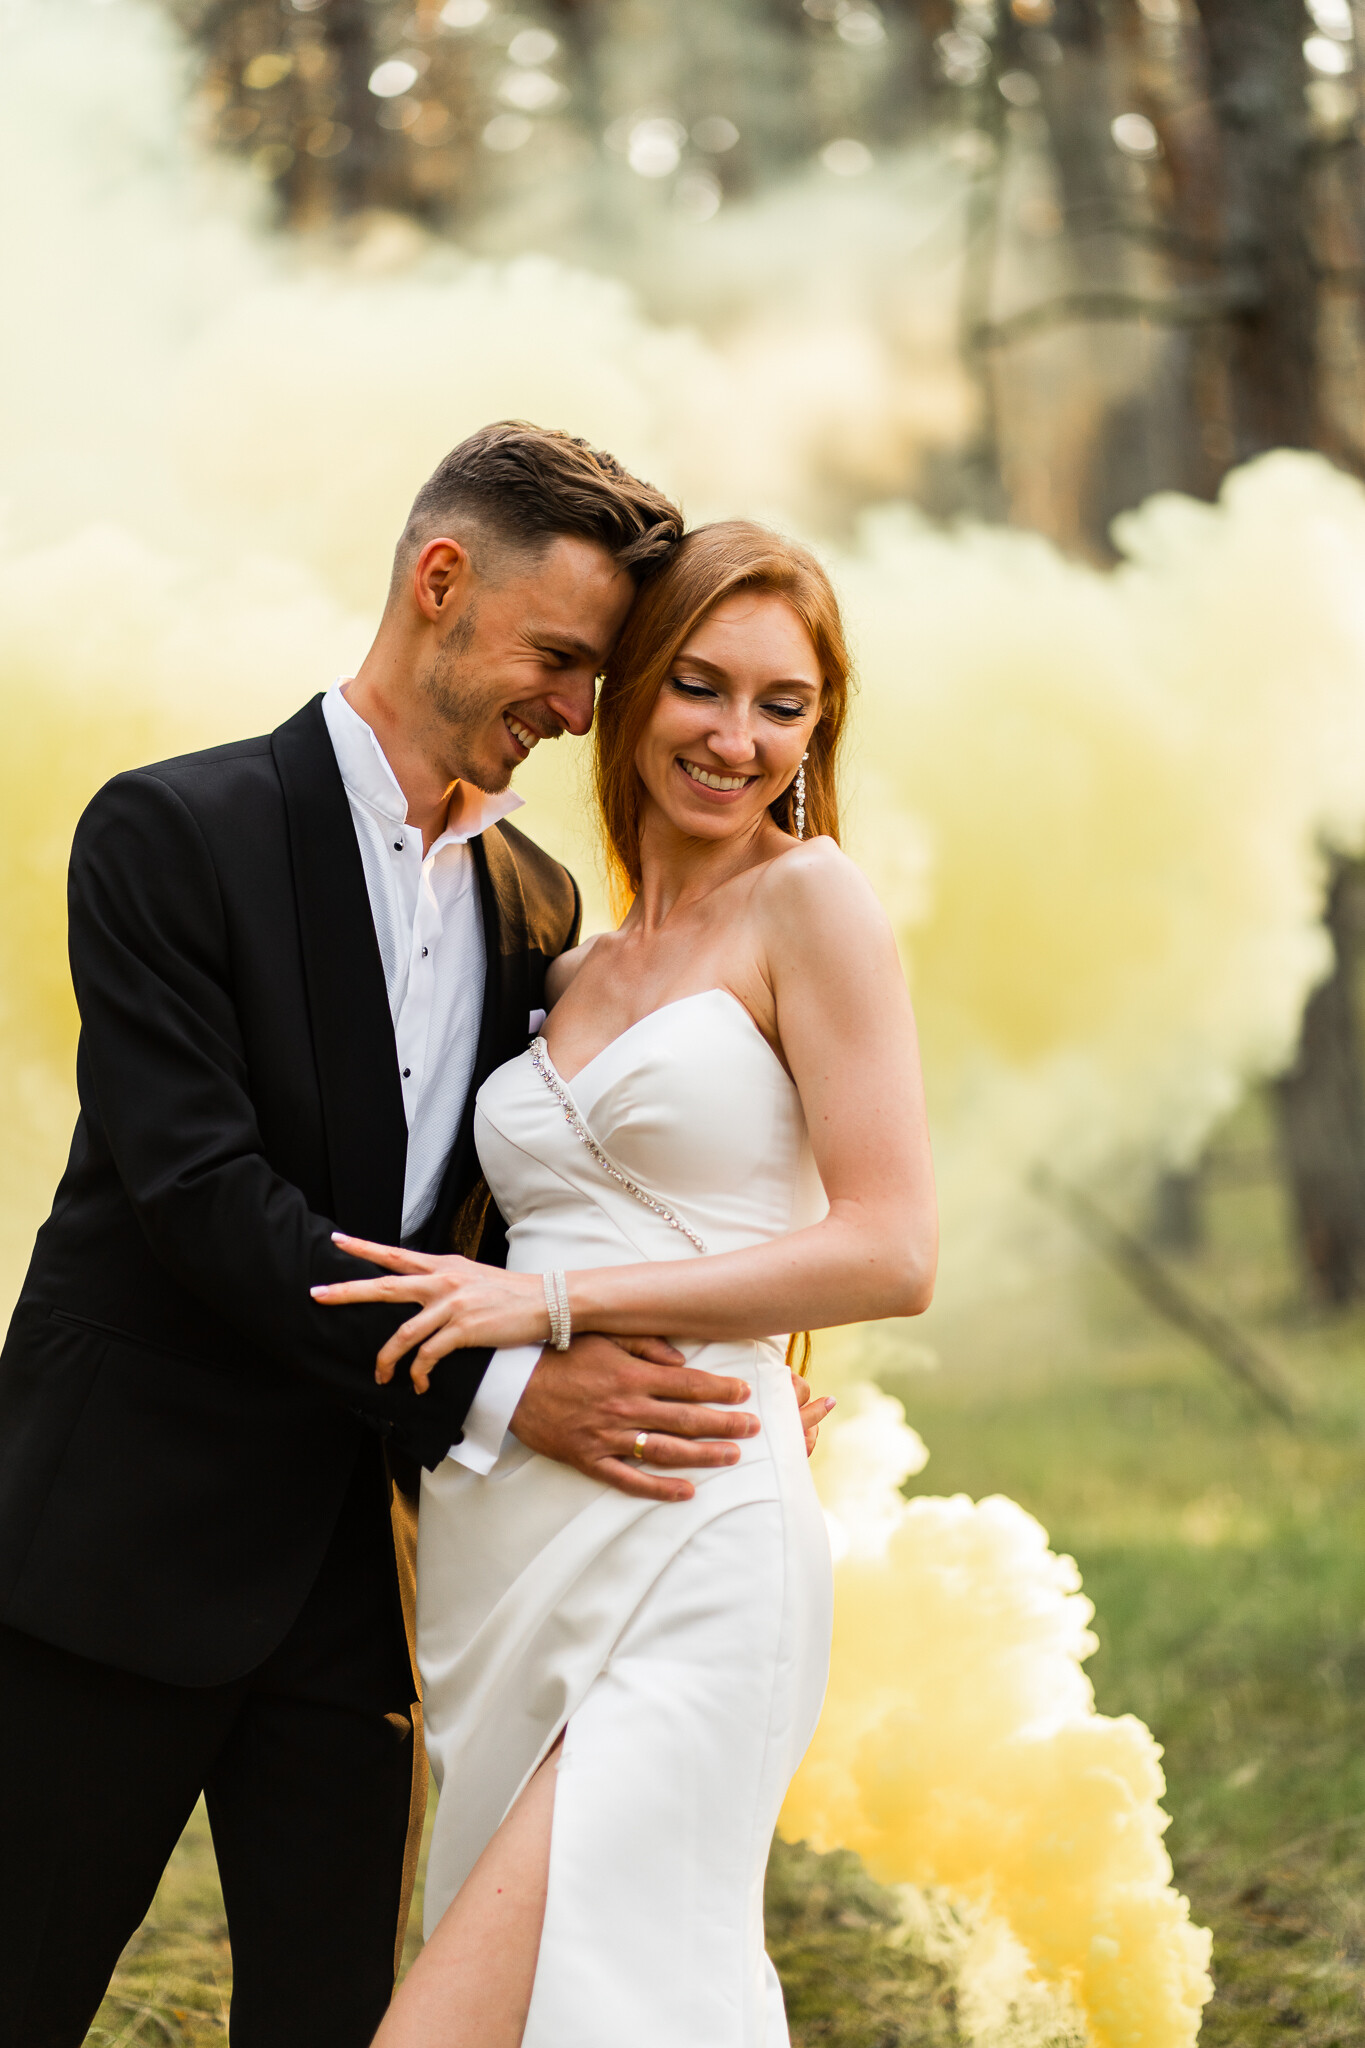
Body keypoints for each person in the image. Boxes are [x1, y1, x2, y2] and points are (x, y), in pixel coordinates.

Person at [0, 426, 819, 2048]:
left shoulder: (539, 904)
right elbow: (201, 1197)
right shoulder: (171, 830)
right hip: (118, 1547)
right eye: (559, 657)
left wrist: (721, 1346)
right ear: (440, 581)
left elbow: (532, 1200)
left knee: (335, 2019)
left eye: (599, 676)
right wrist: (501, 1387)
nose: (577, 710)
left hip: (363, 1574)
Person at [316, 521, 939, 2047]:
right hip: (506, 1533)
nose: (735, 739)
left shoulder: (812, 903)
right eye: (700, 687)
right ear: (631, 687)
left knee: (488, 2012)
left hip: (695, 1516)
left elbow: (891, 1247)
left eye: (783, 705)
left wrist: (553, 1310)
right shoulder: (560, 961)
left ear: (817, 729)